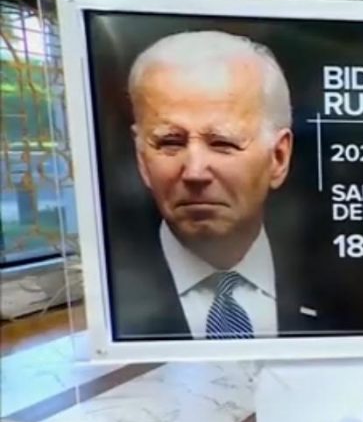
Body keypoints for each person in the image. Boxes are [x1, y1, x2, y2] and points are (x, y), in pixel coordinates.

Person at [113, 30, 321, 340]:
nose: (195, 172)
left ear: (278, 157)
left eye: (223, 142)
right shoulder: (108, 299)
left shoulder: (349, 292)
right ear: (142, 158)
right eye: (170, 142)